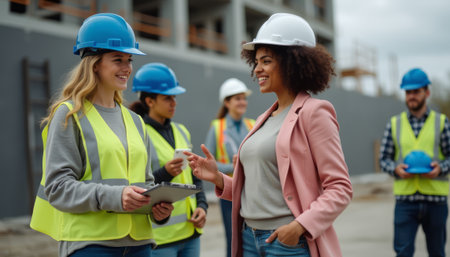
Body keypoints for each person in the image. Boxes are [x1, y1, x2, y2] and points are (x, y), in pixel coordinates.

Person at [186, 13, 353, 257]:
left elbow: (340, 187)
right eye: (256, 62)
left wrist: (298, 227)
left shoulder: (314, 113)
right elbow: (260, 188)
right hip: (248, 238)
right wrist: (219, 179)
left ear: (291, 62)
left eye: (266, 61)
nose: (257, 69)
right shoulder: (265, 118)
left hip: (286, 243)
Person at [29, 13, 174, 257]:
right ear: (94, 63)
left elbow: (145, 184)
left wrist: (156, 209)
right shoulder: (68, 115)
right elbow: (57, 188)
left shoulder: (136, 121)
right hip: (90, 245)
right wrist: (115, 197)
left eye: (129, 60)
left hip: (140, 244)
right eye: (118, 59)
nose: (127, 68)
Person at [129, 62, 208, 257]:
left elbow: (194, 177)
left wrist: (202, 206)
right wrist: (165, 173)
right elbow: (135, 185)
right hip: (160, 240)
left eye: (175, 97)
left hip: (191, 235)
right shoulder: (137, 135)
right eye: (167, 98)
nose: (174, 102)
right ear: (149, 101)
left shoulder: (181, 131)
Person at [379, 67, 450, 257]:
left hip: (435, 201)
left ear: (426, 92)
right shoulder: (395, 124)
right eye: (408, 92)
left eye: (416, 91)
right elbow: (384, 159)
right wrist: (396, 169)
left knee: (437, 253)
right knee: (403, 253)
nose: (412, 96)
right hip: (406, 202)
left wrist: (441, 168)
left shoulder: (441, 122)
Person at [204, 78, 254, 257]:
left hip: (252, 191)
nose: (242, 102)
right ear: (227, 102)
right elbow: (209, 164)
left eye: (244, 98)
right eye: (237, 98)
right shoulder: (217, 128)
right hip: (229, 193)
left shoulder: (252, 125)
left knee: (252, 238)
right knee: (233, 239)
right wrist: (231, 166)